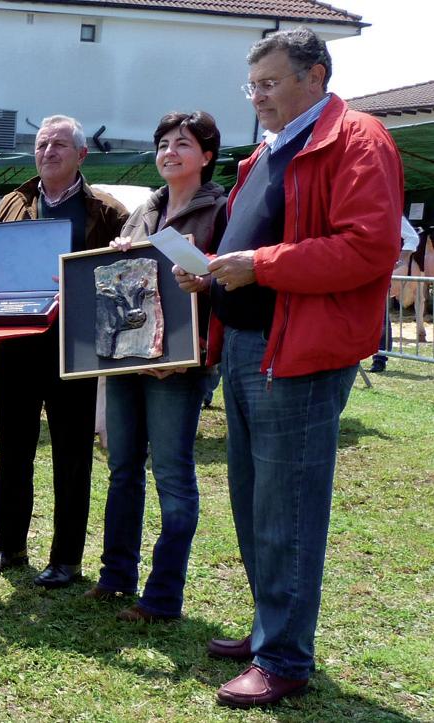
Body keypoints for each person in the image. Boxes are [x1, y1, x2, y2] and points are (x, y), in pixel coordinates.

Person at [173, 27, 403, 707]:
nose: (257, 97)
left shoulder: (358, 140)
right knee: (253, 503)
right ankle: (268, 630)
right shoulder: (268, 152)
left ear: (315, 76)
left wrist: (260, 265)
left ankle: (284, 658)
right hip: (249, 346)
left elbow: (368, 247)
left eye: (270, 83)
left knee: (289, 511)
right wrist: (212, 275)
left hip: (300, 353)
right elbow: (251, 246)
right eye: (252, 86)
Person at [0, 115, 129, 588]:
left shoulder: (108, 211)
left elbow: (125, 271)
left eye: (59, 144)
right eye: (41, 145)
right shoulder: (14, 202)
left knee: (72, 456)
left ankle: (66, 559)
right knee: (12, 450)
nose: (48, 152)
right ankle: (10, 546)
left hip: (74, 348)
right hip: (15, 346)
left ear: (82, 154)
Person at [86, 111, 226, 622]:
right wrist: (118, 253)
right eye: (164, 143)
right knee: (122, 468)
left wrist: (203, 280)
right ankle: (116, 575)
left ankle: (163, 596)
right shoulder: (144, 209)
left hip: (179, 369)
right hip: (128, 359)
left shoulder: (222, 211)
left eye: (182, 144)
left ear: (206, 156)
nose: (170, 152)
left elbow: (228, 281)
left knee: (172, 475)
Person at [369, 216, 421, 372]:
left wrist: (401, 260)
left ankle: (380, 358)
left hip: (379, 271)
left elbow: (412, 238)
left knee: (381, 315)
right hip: (359, 269)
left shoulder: (389, 212)